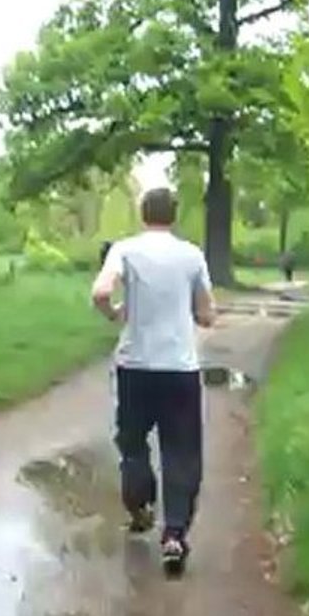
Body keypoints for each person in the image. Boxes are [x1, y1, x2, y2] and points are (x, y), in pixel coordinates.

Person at [90, 187, 216, 575]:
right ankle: (174, 534)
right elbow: (207, 315)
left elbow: (100, 291)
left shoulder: (125, 250)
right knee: (181, 450)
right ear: (174, 215)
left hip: (135, 366)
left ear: (143, 214)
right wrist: (197, 312)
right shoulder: (192, 255)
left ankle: (139, 500)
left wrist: (114, 314)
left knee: (132, 442)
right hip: (179, 368)